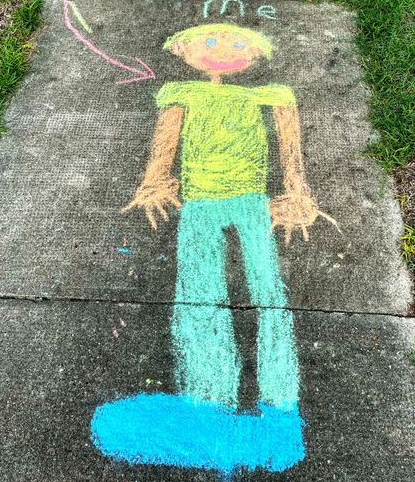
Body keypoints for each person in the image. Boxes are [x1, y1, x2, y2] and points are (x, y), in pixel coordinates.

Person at [122, 23, 337, 411]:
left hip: (251, 201)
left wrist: (298, 191)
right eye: (208, 42)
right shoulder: (181, 93)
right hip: (200, 201)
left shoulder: (270, 96)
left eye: (237, 43)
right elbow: (164, 144)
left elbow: (291, 147)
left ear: (255, 52)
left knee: (266, 289)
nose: (221, 51)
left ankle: (278, 397)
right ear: (183, 49)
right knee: (200, 291)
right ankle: (208, 395)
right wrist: (154, 181)